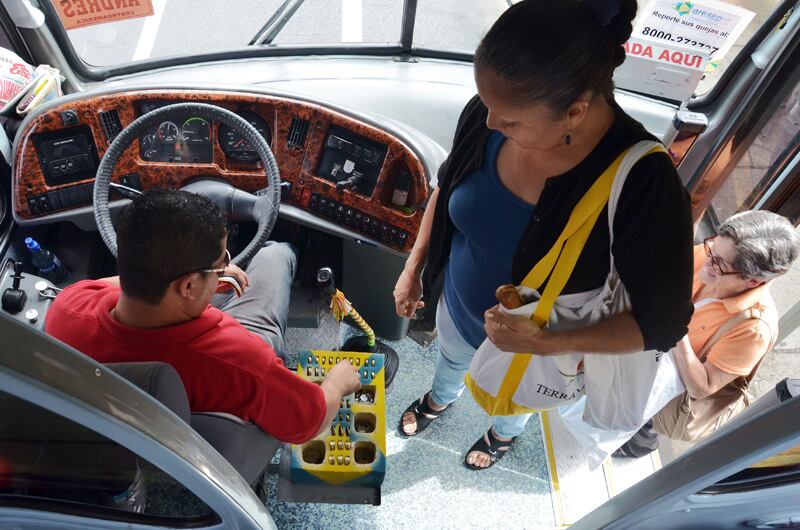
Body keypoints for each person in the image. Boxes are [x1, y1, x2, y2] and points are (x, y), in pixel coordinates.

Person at [394, 0, 695, 470]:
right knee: (450, 362)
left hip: (540, 354)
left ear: (574, 112)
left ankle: (503, 433)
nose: (491, 124)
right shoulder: (490, 113)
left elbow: (664, 323)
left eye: (510, 120)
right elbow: (448, 181)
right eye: (488, 106)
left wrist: (545, 344)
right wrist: (414, 267)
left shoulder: (644, 184)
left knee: (517, 401)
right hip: (456, 307)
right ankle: (441, 397)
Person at [46, 189, 360, 444]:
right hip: (222, 383)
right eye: (222, 261)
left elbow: (127, 282)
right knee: (275, 255)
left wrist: (209, 280)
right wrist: (337, 383)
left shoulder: (68, 306)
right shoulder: (245, 364)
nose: (226, 266)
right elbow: (310, 422)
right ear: (187, 286)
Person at [614, 210, 800, 458]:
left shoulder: (755, 329)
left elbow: (701, 387)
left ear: (752, 281)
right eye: (712, 246)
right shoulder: (712, 256)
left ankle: (637, 446)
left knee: (645, 422)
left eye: (719, 263)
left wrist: (675, 326)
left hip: (671, 389)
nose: (708, 259)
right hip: (649, 359)